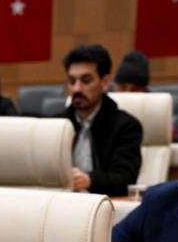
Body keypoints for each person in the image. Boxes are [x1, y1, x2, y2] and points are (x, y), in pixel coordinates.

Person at [61, 44, 143, 197]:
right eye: (72, 81)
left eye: (86, 80)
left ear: (105, 82)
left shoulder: (126, 126)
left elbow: (125, 177)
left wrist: (90, 180)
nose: (77, 89)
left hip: (104, 205)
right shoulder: (57, 124)